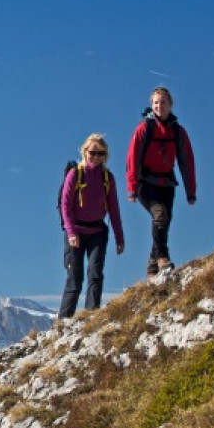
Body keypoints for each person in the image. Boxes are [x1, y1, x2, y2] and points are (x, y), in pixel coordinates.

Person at [125, 86, 197, 275]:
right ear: (152, 105)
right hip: (145, 182)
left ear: (171, 105)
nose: (159, 106)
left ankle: (152, 268)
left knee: (164, 223)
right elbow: (132, 159)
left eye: (163, 102)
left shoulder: (178, 132)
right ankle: (162, 257)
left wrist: (191, 192)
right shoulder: (144, 129)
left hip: (166, 183)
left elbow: (186, 162)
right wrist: (132, 187)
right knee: (160, 216)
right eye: (156, 103)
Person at [59, 133, 124, 319]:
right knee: (75, 279)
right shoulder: (76, 174)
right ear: (85, 152)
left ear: (105, 155)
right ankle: (63, 324)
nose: (96, 157)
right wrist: (71, 232)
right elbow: (66, 205)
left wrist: (120, 238)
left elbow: (114, 209)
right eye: (92, 152)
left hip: (97, 231)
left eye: (100, 153)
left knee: (95, 274)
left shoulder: (107, 178)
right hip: (76, 231)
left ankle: (90, 318)